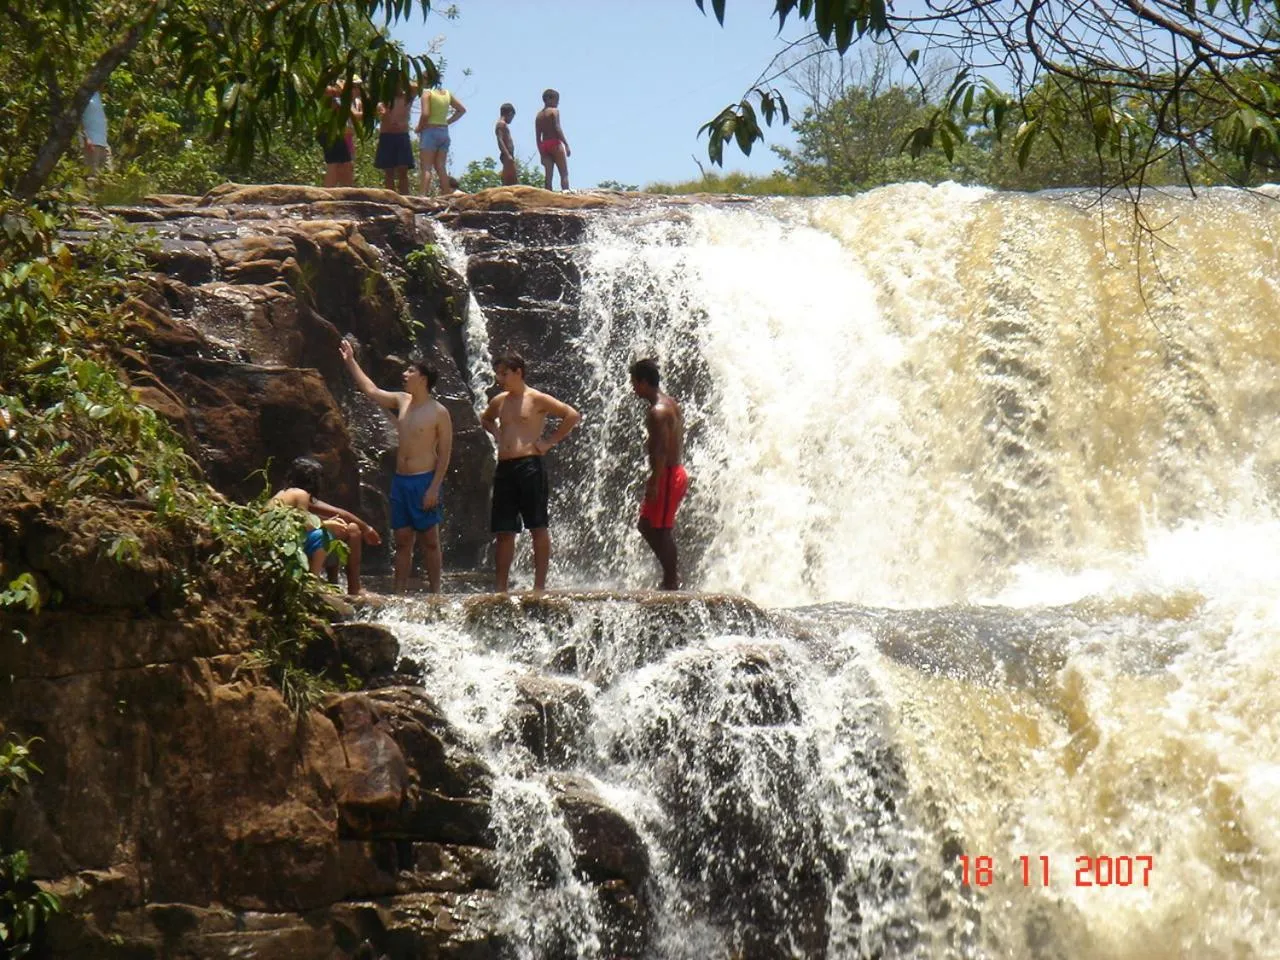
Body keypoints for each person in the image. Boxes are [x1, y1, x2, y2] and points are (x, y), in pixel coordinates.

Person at [340, 340, 453, 593]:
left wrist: (434, 488)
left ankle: (436, 592)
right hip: (401, 481)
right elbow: (371, 390)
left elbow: (445, 454)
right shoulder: (402, 400)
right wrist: (350, 361)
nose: (404, 374)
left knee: (430, 541)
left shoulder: (439, 412)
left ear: (423, 378)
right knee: (403, 540)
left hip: (424, 480)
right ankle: (399, 591)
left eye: (410, 371)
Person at [480, 353, 582, 593]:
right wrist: (497, 435)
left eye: (504, 373)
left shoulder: (537, 399)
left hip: (530, 465)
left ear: (518, 372)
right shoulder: (499, 401)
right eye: (498, 374)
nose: (500, 378)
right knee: (504, 530)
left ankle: (539, 586)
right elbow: (486, 419)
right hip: (505, 467)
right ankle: (501, 588)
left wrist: (549, 442)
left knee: (537, 525)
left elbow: (572, 415)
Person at [271, 456, 382, 595]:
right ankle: (348, 587)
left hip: (275, 538)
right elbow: (303, 523)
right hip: (288, 541)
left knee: (341, 529)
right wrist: (326, 524)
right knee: (340, 531)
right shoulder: (301, 494)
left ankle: (333, 584)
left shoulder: (283, 493)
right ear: (313, 480)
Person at [630, 359, 688, 590]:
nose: (633, 388)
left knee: (661, 530)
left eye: (634, 382)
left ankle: (672, 580)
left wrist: (655, 481)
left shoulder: (658, 411)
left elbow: (661, 450)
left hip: (667, 475)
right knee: (646, 525)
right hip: (669, 473)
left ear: (644, 382)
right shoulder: (670, 403)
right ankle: (670, 577)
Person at [416, 82, 466, 196]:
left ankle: (422, 195)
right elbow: (462, 110)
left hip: (430, 131)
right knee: (441, 167)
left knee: (426, 167)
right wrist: (447, 122)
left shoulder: (427, 93)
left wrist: (419, 128)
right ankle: (446, 194)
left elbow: (425, 114)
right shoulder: (447, 94)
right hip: (444, 132)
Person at [376, 81, 417, 194]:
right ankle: (390, 198)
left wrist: (400, 79)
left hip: (402, 136)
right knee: (389, 171)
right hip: (387, 136)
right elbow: (383, 114)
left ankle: (405, 198)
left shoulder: (407, 98)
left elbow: (417, 86)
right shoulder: (383, 101)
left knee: (403, 171)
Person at [320, 82, 361, 187]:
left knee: (346, 164)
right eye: (353, 87)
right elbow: (354, 115)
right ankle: (328, 193)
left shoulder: (344, 100)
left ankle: (346, 193)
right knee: (334, 164)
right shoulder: (337, 99)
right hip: (331, 134)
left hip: (337, 135)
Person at [535, 89, 570, 191]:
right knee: (564, 173)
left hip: (544, 145)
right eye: (556, 100)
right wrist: (566, 144)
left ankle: (547, 195)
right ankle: (566, 194)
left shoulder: (538, 116)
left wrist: (541, 153)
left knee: (548, 177)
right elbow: (557, 128)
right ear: (549, 99)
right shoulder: (554, 111)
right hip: (555, 143)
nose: (558, 103)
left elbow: (537, 136)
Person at [81, 91, 112, 175]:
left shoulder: (97, 94)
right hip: (92, 142)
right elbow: (78, 119)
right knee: (93, 176)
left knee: (108, 175)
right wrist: (86, 138)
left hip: (103, 142)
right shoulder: (83, 95)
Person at [495, 103, 518, 186]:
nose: (511, 119)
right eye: (512, 117)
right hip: (506, 155)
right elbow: (500, 140)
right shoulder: (501, 124)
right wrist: (507, 155)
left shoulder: (502, 124)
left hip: (509, 154)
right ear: (510, 113)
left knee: (512, 178)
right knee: (511, 180)